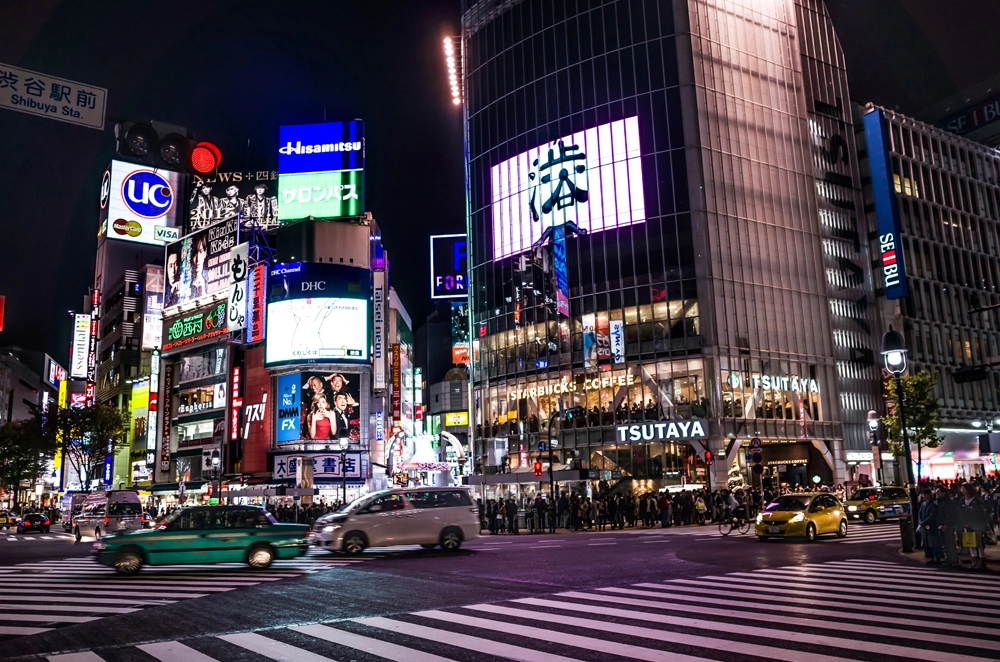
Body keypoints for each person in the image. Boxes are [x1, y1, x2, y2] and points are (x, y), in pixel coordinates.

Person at [959, 483, 990, 570]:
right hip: (966, 525)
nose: (962, 490)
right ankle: (975, 560)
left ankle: (981, 561)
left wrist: (971, 523)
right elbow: (960, 514)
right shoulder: (962, 501)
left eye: (964, 488)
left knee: (978, 543)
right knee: (970, 543)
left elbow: (979, 515)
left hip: (976, 526)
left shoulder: (976, 502)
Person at [936, 487, 960, 567]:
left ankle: (953, 559)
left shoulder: (947, 502)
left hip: (947, 525)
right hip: (942, 524)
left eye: (938, 492)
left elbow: (948, 514)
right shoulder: (941, 502)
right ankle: (950, 558)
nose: (937, 494)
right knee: (946, 542)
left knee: (949, 542)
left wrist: (946, 524)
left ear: (943, 493)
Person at [918, 488, 942, 564]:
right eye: (923, 494)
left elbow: (932, 516)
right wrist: (921, 521)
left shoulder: (933, 505)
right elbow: (920, 513)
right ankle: (930, 557)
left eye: (925, 494)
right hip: (925, 526)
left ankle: (937, 558)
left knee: (934, 543)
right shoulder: (923, 504)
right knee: (927, 543)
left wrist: (923, 522)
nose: (923, 496)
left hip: (932, 526)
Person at [190, 234, 209, 299]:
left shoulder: (210, 278)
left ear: (205, 253)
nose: (198, 259)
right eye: (195, 254)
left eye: (200, 252)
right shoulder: (185, 282)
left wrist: (202, 291)